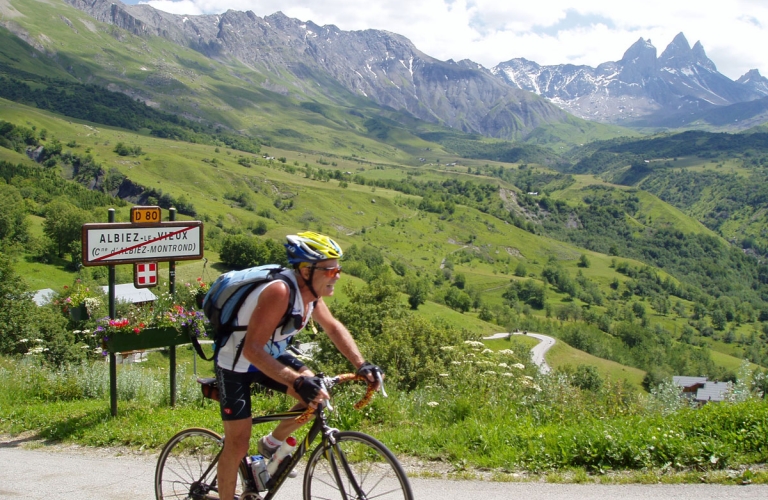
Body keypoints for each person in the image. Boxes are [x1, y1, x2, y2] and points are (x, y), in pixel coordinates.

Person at [215, 231, 383, 500]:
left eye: (338, 268)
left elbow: (333, 328)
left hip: (270, 355)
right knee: (237, 444)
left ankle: (270, 444)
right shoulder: (280, 292)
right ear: (305, 271)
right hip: (236, 362)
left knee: (316, 396)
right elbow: (252, 349)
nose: (337, 275)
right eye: (329, 270)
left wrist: (362, 364)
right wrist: (296, 380)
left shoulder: (311, 295)